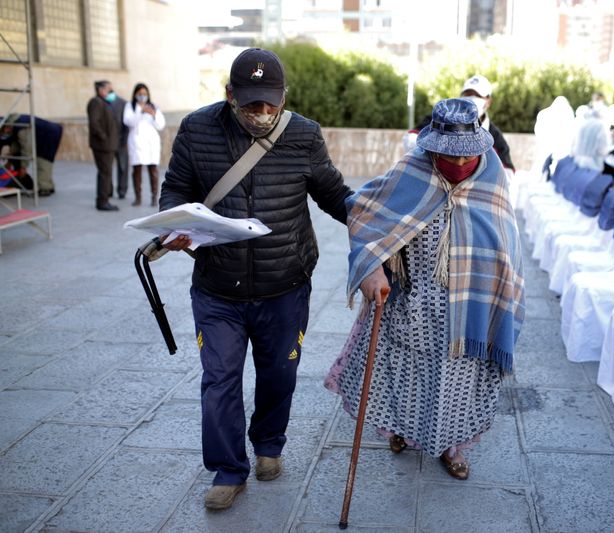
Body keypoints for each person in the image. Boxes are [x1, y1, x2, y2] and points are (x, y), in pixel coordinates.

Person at [159, 48, 353, 511]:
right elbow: (176, 187)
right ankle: (228, 470)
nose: (262, 113)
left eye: (271, 103)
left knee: (278, 372)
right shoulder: (197, 129)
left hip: (284, 283)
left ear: (284, 97)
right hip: (217, 286)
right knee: (219, 379)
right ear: (229, 96)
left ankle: (269, 444)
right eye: (251, 105)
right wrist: (173, 226)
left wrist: (377, 227)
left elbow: (333, 194)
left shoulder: (303, 135)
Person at [325, 98, 525, 481]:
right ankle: (402, 430)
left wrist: (504, 289)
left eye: (466, 157)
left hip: (470, 310)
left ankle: (453, 447)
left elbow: (504, 235)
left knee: (459, 382)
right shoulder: (412, 169)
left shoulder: (492, 171)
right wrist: (373, 266)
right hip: (413, 302)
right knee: (407, 373)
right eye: (450, 158)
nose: (459, 165)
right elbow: (365, 212)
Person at [410, 75, 515, 171]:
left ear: (488, 101)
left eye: (478, 95)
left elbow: (508, 172)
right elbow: (410, 138)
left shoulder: (495, 136)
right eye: (468, 94)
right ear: (461, 97)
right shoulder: (440, 119)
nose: (472, 98)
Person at [123, 83, 166, 206]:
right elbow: (128, 121)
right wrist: (141, 112)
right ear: (135, 94)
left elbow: (161, 125)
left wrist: (153, 115)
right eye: (140, 94)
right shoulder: (130, 106)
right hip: (136, 142)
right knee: (137, 170)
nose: (142, 96)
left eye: (145, 94)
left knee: (153, 170)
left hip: (151, 143)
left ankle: (154, 197)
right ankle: (138, 198)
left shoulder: (154, 106)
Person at [0, 113, 63, 195]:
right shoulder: (14, 123)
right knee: (41, 160)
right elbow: (16, 146)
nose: (5, 132)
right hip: (42, 134)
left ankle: (45, 188)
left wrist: (23, 167)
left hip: (48, 134)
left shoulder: (21, 125)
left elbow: (27, 147)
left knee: (43, 161)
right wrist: (10, 160)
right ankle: (48, 185)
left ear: (6, 126)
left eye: (4, 130)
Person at [87, 80, 120, 211]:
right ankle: (102, 201)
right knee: (105, 173)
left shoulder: (105, 102)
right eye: (109, 90)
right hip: (103, 146)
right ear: (101, 90)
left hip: (108, 145)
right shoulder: (96, 102)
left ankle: (105, 197)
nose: (112, 92)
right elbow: (94, 123)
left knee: (106, 172)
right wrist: (104, 138)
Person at [107, 84, 129, 200]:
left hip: (121, 142)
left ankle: (122, 190)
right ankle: (108, 190)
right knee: (107, 168)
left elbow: (126, 124)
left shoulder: (123, 103)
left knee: (123, 167)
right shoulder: (103, 103)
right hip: (108, 142)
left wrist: (124, 140)